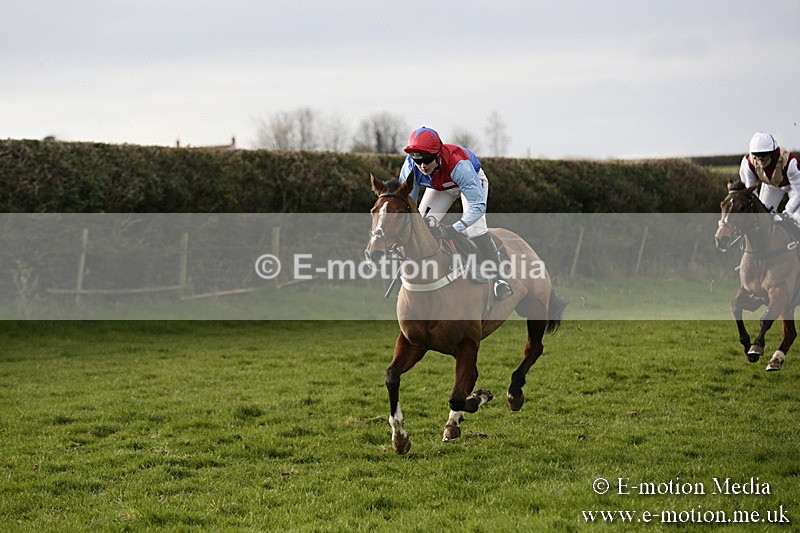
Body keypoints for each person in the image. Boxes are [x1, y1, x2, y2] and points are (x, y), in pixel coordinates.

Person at [398, 126, 512, 300]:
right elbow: (407, 204)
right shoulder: (410, 167)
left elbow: (478, 206)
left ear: (437, 154)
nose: (422, 166)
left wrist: (453, 229)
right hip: (440, 186)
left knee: (474, 230)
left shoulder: (459, 165)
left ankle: (500, 279)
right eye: (417, 160)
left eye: (427, 159)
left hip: (470, 181)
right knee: (421, 226)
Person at [739, 131, 800, 223]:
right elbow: (751, 193)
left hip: (795, 188)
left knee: (797, 218)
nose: (760, 159)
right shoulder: (747, 164)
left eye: (764, 154)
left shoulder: (790, 163)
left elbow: (798, 192)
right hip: (772, 185)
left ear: (773, 153)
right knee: (764, 217)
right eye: (757, 155)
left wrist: (787, 212)